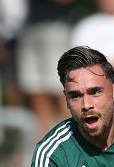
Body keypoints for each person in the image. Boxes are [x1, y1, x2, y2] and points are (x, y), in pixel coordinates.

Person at [17, 0, 77, 134]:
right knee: (36, 90)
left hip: (56, 27)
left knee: (62, 90)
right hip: (29, 28)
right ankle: (47, 140)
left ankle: (74, 141)